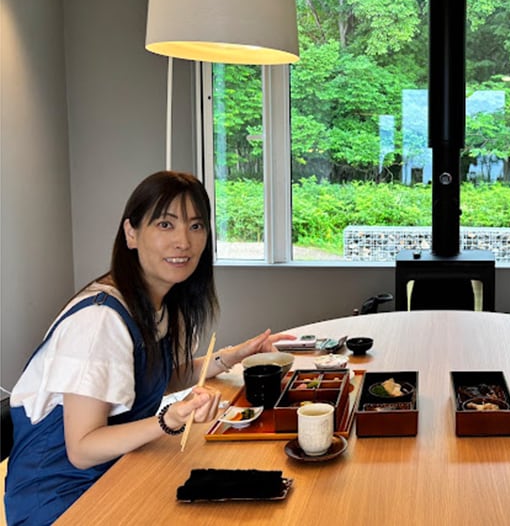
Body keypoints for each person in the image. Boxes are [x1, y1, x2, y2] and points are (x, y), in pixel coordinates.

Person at [4, 171, 294, 525]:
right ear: (131, 233)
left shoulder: (159, 303)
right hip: (61, 500)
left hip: (117, 470)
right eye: (165, 225)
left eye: (196, 226)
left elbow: (151, 380)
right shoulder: (100, 321)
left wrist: (231, 357)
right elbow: (82, 449)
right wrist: (169, 419)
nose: (183, 242)